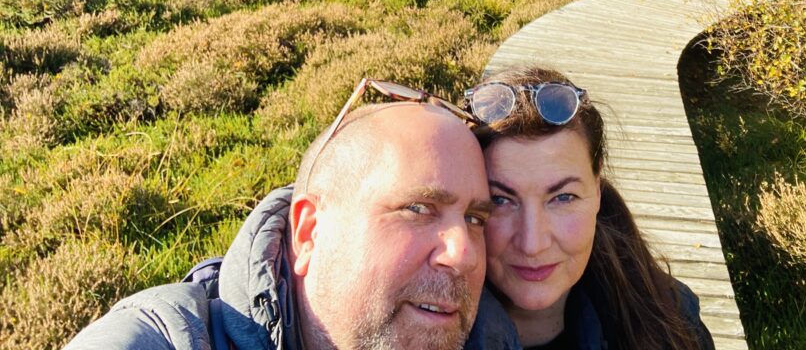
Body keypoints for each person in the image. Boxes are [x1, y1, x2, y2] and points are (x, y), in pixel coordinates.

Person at [65, 79, 495, 350]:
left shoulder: (494, 335)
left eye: (475, 219)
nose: (464, 254)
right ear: (309, 232)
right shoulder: (163, 338)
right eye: (417, 209)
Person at [462, 67, 716, 350]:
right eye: (500, 200)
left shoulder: (672, 322)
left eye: (563, 197)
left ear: (596, 188)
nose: (532, 245)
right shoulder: (427, 336)